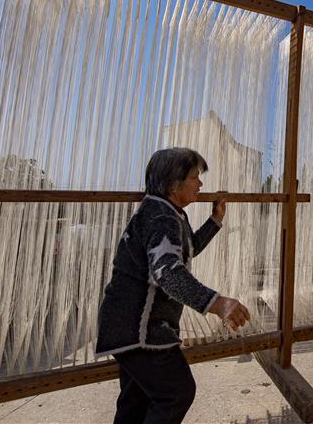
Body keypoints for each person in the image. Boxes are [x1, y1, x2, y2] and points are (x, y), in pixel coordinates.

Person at [96, 147, 251, 424]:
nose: (200, 184)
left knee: (136, 403)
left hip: (125, 327)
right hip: (141, 330)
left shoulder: (167, 212)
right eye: (194, 177)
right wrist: (219, 304)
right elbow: (168, 273)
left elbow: (184, 251)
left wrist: (215, 221)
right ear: (173, 184)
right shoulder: (162, 218)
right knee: (177, 392)